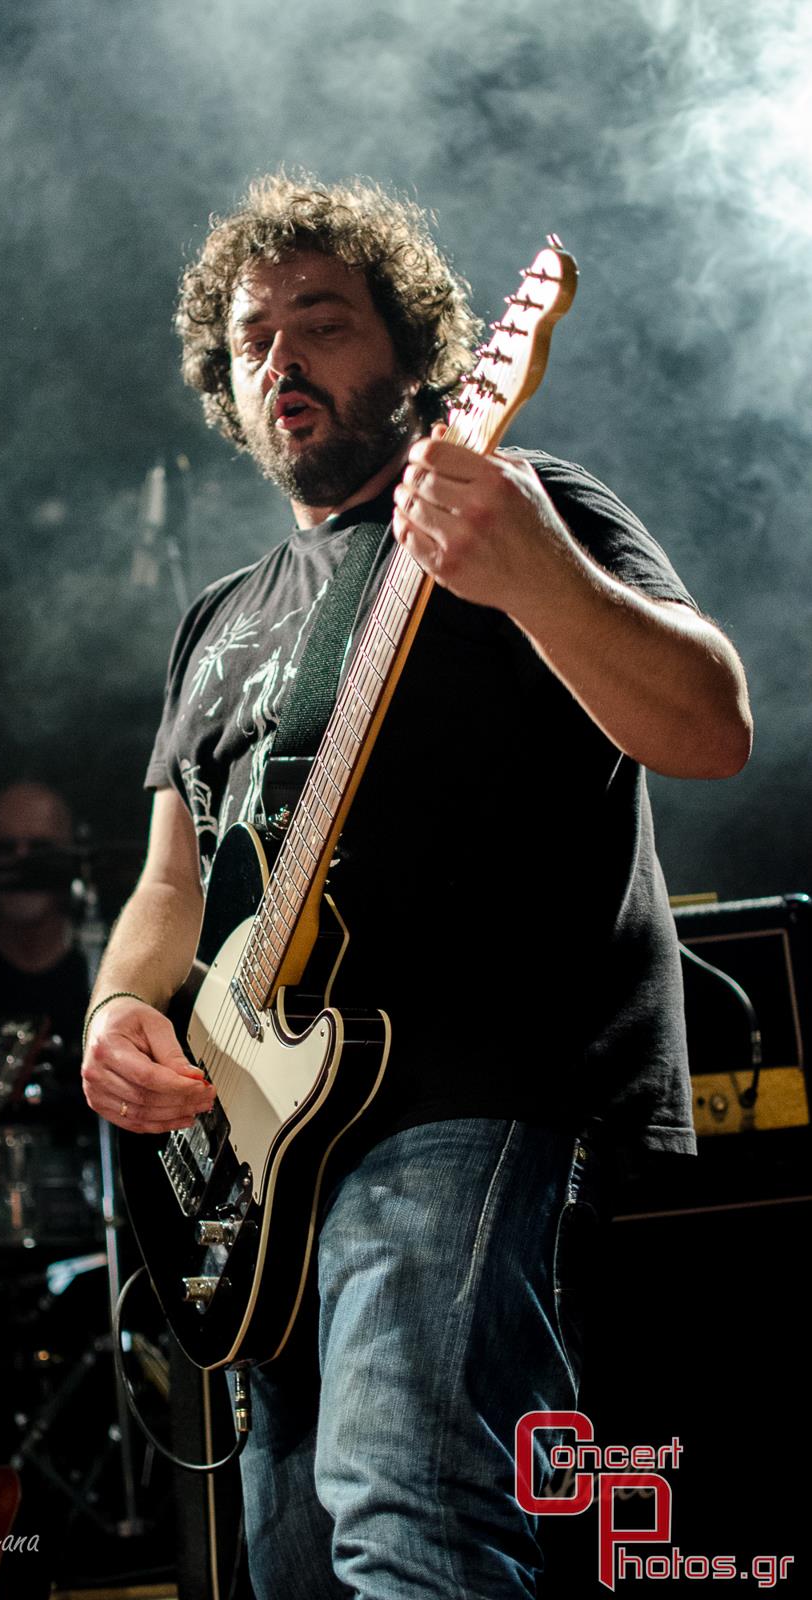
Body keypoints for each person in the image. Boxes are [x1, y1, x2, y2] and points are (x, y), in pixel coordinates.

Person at [80, 174, 753, 1599]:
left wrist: (533, 570)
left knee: (412, 1516)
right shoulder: (215, 621)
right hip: (265, 1146)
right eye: (253, 338)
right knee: (300, 1569)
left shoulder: (526, 502)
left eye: (322, 321)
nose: (282, 357)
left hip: (470, 1086)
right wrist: (119, 1008)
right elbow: (171, 882)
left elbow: (709, 726)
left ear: (417, 354)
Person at [0, 779, 92, 1058]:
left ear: (70, 857)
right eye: (5, 848)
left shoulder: (101, 971)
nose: (22, 864)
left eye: (40, 849)